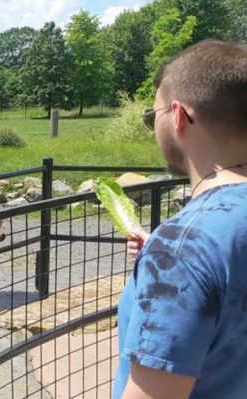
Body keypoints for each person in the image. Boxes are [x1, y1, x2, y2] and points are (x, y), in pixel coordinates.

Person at [113, 39, 247, 399]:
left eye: (151, 117)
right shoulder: (186, 246)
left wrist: (170, 259)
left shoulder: (183, 248)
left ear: (178, 117)